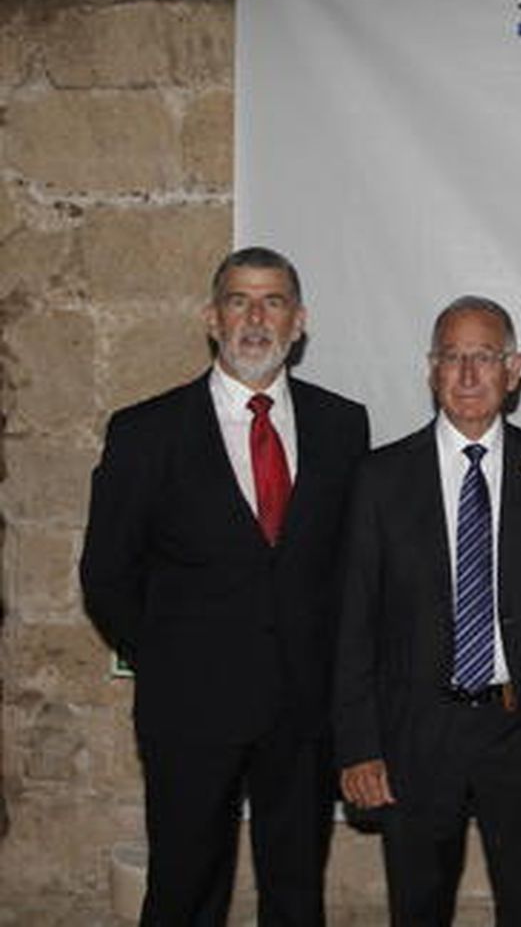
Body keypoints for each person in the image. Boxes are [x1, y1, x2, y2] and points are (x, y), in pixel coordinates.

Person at [80, 246, 370, 926]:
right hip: (190, 707)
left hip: (303, 709)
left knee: (296, 892)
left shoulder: (341, 426)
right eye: (239, 300)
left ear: (299, 322)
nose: (255, 318)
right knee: (184, 887)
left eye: (273, 302)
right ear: (212, 318)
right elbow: (107, 573)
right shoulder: (146, 432)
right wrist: (170, 658)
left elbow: (352, 566)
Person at [333, 296, 521, 925]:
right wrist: (358, 745)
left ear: (514, 370)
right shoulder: (380, 479)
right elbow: (354, 626)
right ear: (431, 370)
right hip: (417, 733)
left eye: (483, 357)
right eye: (451, 358)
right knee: (418, 907)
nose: (466, 375)